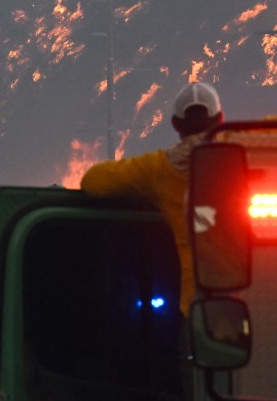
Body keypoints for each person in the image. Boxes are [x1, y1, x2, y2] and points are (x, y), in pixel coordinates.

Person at [79, 81, 224, 313]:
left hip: (199, 310)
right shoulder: (248, 148)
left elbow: (93, 182)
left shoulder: (160, 169)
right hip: (255, 300)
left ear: (176, 124)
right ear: (220, 119)